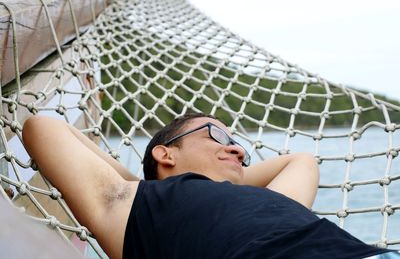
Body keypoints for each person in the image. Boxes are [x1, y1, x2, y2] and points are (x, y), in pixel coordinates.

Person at [22, 113, 397, 259]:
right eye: (216, 134)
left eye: (238, 145)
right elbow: (45, 127)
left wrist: (224, 177)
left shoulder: (265, 200)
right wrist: (138, 182)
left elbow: (302, 161)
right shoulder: (131, 206)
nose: (236, 147)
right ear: (166, 154)